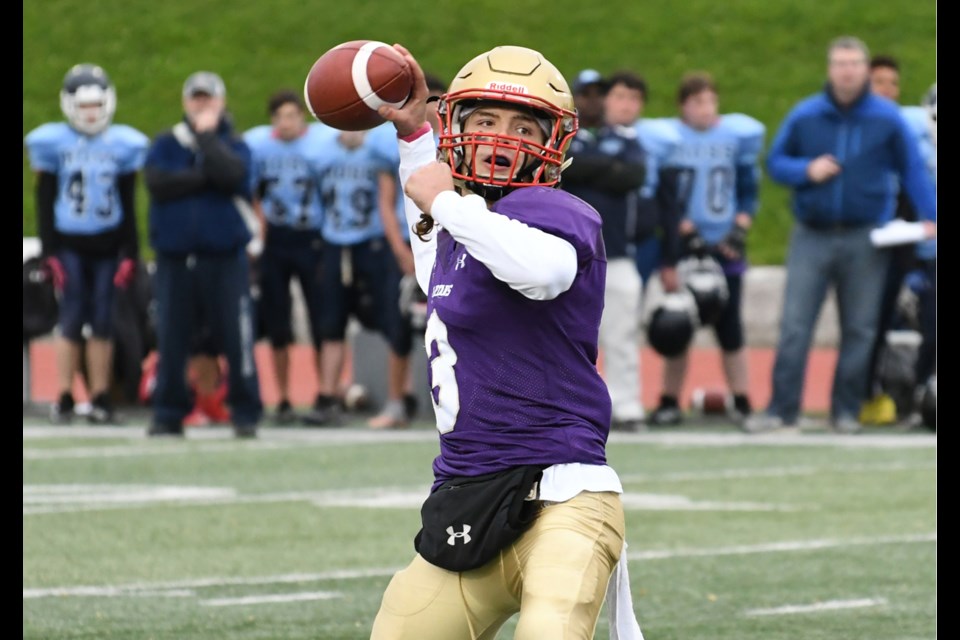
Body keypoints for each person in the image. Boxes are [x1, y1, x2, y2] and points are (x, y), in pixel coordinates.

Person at [369, 44, 642, 640]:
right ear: (458, 130)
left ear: (554, 142)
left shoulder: (557, 211)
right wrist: (414, 132)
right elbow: (432, 249)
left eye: (524, 126)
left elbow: (542, 271)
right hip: (469, 498)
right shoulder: (464, 227)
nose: (503, 137)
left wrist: (444, 199)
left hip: (563, 499)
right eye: (486, 121)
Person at [744, 36, 936, 435]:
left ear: (865, 69)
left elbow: (913, 170)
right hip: (811, 234)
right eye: (839, 63)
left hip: (866, 236)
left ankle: (845, 410)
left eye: (853, 63)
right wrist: (805, 171)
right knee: (796, 324)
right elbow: (776, 162)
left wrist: (932, 214)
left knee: (860, 327)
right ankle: (783, 410)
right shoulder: (806, 114)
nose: (847, 71)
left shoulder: (887, 118)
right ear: (830, 69)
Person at [24, 63, 149, 425]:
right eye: (85, 106)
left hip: (109, 245)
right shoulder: (52, 143)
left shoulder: (124, 144)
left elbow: (128, 202)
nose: (91, 113)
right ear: (70, 106)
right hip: (69, 244)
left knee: (103, 321)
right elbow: (44, 200)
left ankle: (100, 395)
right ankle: (64, 395)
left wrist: (131, 251)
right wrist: (49, 252)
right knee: (71, 318)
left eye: (96, 105)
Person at [144, 70, 263, 438]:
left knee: (236, 336)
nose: (201, 103)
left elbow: (234, 177)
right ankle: (168, 411)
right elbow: (157, 184)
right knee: (172, 338)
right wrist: (201, 178)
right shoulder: (166, 143)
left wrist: (208, 139)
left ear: (221, 102)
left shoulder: (235, 143)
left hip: (224, 257)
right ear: (186, 102)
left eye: (208, 97)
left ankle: (245, 411)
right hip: (175, 257)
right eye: (196, 97)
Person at [649, 71, 766, 427]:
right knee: (679, 323)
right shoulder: (669, 140)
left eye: (711, 101)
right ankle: (669, 399)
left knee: (730, 326)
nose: (706, 109)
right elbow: (662, 193)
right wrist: (683, 230)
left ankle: (743, 400)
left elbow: (748, 189)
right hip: (685, 245)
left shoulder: (734, 137)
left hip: (724, 244)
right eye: (698, 102)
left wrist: (740, 228)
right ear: (682, 106)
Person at [562, 70, 649, 432]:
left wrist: (589, 169)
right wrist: (603, 168)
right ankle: (569, 405)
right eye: (586, 94)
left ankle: (626, 404)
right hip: (571, 254)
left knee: (622, 332)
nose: (593, 102)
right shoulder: (568, 137)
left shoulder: (626, 139)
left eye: (600, 94)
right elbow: (567, 169)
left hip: (617, 251)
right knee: (568, 334)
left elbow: (631, 175)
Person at [244, 89, 334, 425]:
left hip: (311, 237)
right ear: (272, 120)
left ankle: (323, 394)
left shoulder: (320, 143)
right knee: (277, 322)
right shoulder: (258, 145)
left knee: (319, 317)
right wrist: (259, 230)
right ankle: (281, 398)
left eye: (293, 115)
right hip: (275, 239)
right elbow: (252, 191)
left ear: (302, 118)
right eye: (281, 116)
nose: (287, 122)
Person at [364, 72, 447, 428]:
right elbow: (386, 202)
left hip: (451, 243)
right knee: (398, 328)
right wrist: (401, 249)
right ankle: (397, 402)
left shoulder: (460, 144)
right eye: (428, 101)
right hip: (407, 245)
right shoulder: (393, 143)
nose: (433, 109)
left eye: (439, 102)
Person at [859, 56, 937, 425]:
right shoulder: (904, 129)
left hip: (928, 249)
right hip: (899, 243)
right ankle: (869, 393)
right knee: (874, 320)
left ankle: (924, 392)